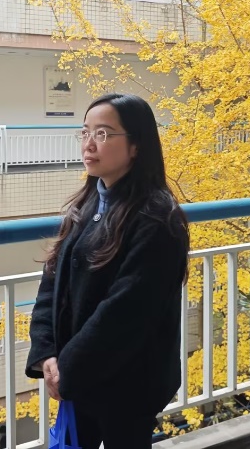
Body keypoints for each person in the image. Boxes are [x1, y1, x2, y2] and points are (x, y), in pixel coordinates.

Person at [26, 93, 190, 449]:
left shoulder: (157, 218)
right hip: (80, 375)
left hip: (129, 382)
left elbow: (126, 310)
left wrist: (68, 368)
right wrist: (47, 352)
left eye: (102, 134)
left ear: (136, 146)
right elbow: (53, 283)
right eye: (85, 132)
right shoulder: (87, 203)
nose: (89, 144)